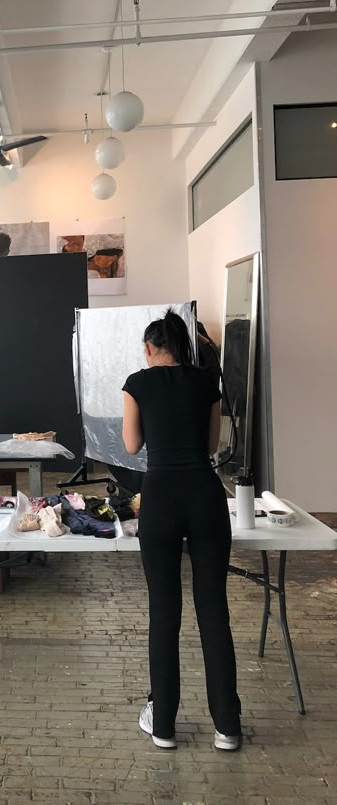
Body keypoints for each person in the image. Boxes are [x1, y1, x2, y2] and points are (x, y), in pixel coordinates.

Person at [121, 309, 241, 752]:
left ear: (150, 349)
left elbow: (132, 445)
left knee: (164, 614)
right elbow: (211, 446)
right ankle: (227, 726)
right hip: (206, 499)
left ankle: (165, 726)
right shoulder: (206, 383)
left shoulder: (137, 383)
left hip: (161, 499)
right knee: (214, 613)